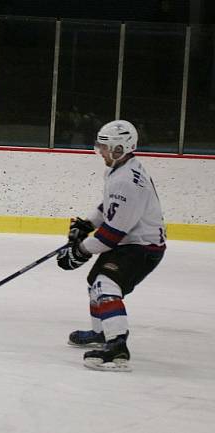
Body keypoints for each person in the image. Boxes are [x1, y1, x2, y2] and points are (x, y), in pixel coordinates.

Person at [56, 119, 166, 372]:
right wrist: (86, 224)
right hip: (131, 242)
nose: (101, 152)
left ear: (119, 149)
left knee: (106, 285)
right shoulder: (120, 169)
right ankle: (101, 332)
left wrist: (80, 250)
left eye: (105, 148)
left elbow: (110, 237)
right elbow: (108, 205)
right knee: (95, 281)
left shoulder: (126, 181)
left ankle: (117, 346)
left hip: (142, 248)